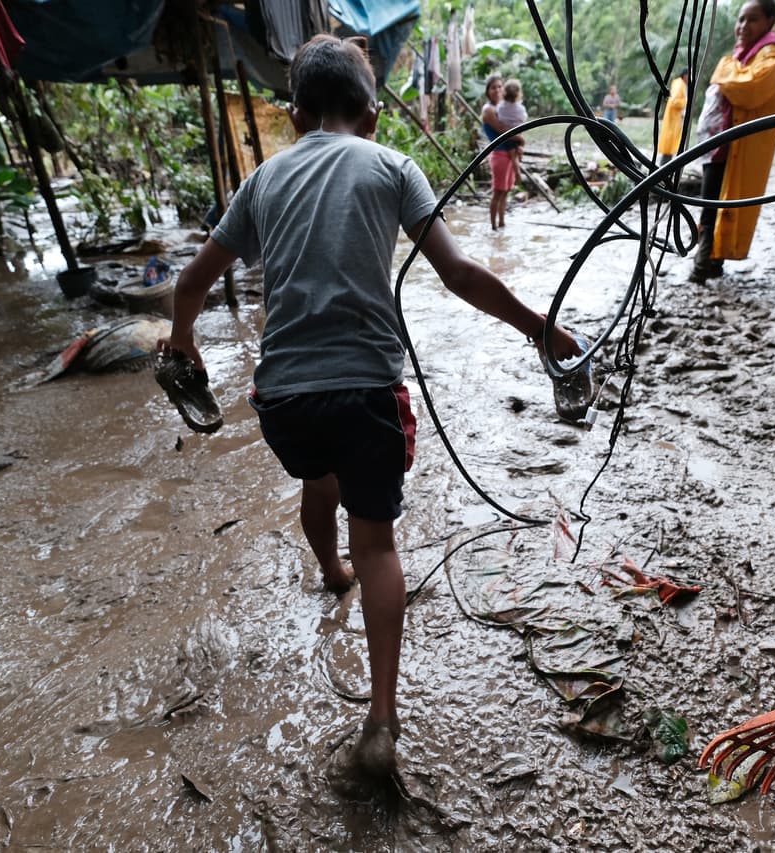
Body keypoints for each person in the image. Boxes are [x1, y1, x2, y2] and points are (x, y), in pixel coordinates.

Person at [160, 35, 580, 778]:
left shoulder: (262, 179)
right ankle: (381, 720)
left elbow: (190, 283)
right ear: (374, 115)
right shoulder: (393, 166)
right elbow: (458, 274)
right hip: (365, 392)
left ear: (295, 115)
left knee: (316, 480)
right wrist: (538, 327)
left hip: (285, 398)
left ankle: (330, 570)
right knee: (379, 544)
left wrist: (184, 344)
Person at [690, 0, 775, 282]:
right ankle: (710, 263)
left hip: (740, 143)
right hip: (719, 141)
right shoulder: (745, 55)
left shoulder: (773, 56)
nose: (743, 26)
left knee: (719, 202)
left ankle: (703, 267)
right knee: (712, 200)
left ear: (769, 22)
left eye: (753, 19)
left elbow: (748, 88)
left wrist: (725, 68)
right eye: (741, 19)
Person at [481, 74, 523, 230]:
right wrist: (521, 139)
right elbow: (503, 130)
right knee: (498, 192)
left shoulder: (504, 108)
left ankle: (502, 224)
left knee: (505, 191)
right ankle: (493, 226)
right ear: (488, 91)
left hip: (509, 155)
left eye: (500, 86)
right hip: (499, 154)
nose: (497, 90)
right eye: (493, 87)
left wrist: (518, 143)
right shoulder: (489, 110)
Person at [657, 67, 691, 164]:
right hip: (673, 120)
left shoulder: (681, 84)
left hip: (677, 119)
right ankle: (664, 168)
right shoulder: (679, 84)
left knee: (672, 145)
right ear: (685, 75)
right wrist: (686, 102)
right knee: (669, 145)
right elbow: (674, 101)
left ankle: (666, 167)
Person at [496, 78, 529, 169]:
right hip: (517, 134)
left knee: (512, 150)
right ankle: (518, 161)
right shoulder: (520, 108)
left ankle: (517, 164)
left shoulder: (500, 106)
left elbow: (498, 115)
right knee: (518, 147)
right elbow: (524, 118)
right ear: (518, 94)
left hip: (506, 134)